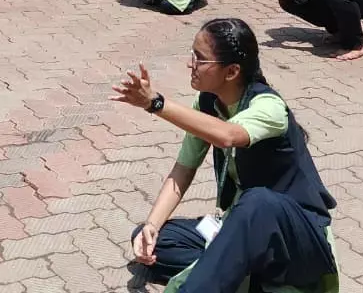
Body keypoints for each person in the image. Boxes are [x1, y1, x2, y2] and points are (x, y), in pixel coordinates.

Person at [114, 18, 339, 292]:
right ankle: (241, 272)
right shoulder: (208, 102)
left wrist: (156, 104)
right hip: (240, 226)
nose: (190, 64)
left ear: (231, 71)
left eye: (200, 58)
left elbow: (229, 135)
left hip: (297, 238)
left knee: (258, 201)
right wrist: (152, 225)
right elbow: (184, 169)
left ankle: (222, 275)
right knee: (155, 240)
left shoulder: (270, 107)